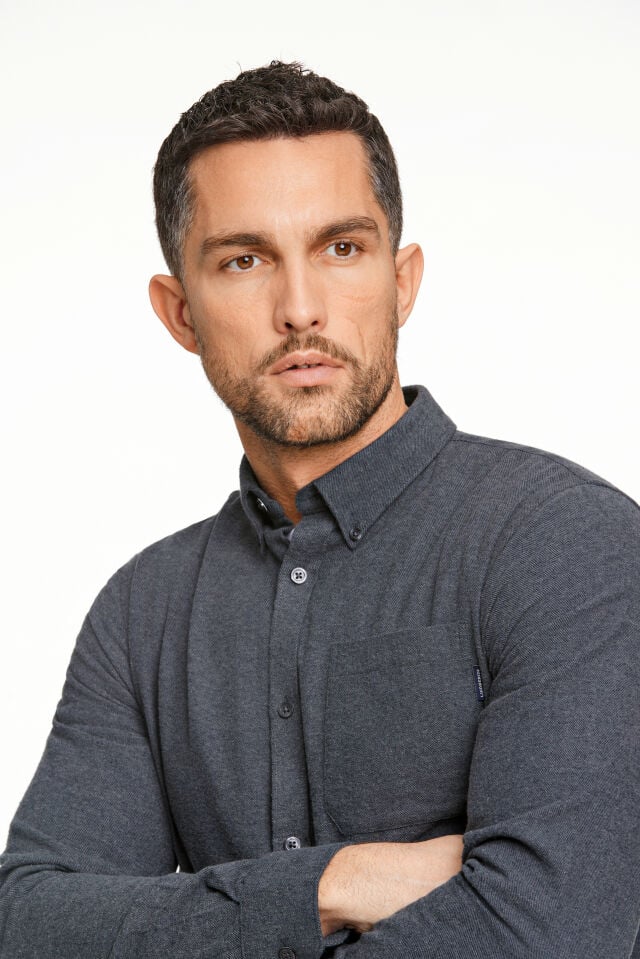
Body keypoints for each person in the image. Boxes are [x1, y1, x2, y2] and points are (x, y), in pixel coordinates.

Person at [1, 60, 638, 959]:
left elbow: (552, 932)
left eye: (341, 248)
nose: (300, 309)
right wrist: (335, 885)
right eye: (244, 260)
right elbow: (28, 922)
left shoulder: (565, 543)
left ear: (402, 280)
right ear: (179, 313)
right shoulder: (141, 614)